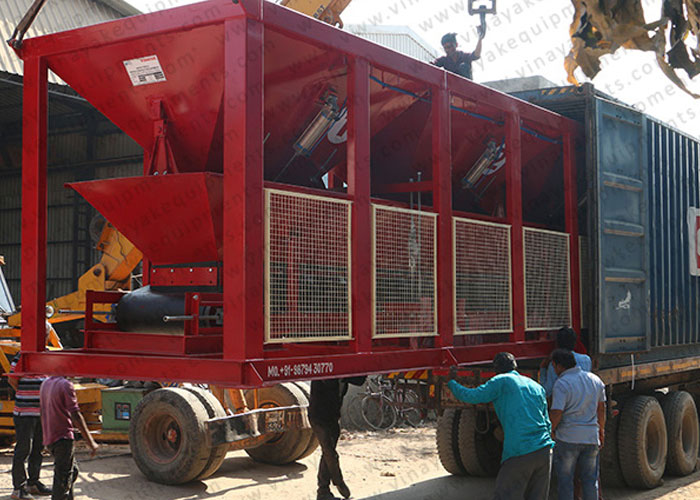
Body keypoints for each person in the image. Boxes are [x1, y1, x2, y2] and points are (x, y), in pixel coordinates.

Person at [447, 352, 554, 500]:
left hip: (520, 451)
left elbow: (473, 396)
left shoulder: (501, 381)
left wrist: (452, 383)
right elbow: (547, 422)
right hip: (543, 451)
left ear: (496, 369)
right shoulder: (535, 386)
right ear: (515, 366)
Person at [549, 349, 606, 500]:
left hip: (568, 438)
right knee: (590, 480)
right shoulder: (595, 380)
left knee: (565, 481)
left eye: (554, 366)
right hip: (591, 438)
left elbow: (556, 412)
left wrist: (550, 430)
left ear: (558, 365)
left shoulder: (561, 384)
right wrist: (601, 430)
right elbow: (601, 409)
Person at [40, 376, 98, 500]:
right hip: (63, 438)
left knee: (72, 471)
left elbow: (43, 412)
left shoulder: (45, 383)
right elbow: (76, 415)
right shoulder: (65, 385)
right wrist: (91, 442)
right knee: (62, 481)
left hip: (52, 437)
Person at [308, 377, 365, 500]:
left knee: (327, 453)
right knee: (330, 453)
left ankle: (323, 491)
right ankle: (338, 482)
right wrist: (344, 374)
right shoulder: (324, 372)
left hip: (333, 417)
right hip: (319, 417)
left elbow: (359, 380)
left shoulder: (343, 374)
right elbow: (329, 382)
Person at [9, 352, 51, 500]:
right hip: (25, 412)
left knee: (38, 448)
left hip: (41, 412)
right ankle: (18, 489)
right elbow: (12, 379)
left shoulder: (47, 354)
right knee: (23, 449)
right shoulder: (22, 355)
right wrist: (26, 394)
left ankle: (33, 482)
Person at [540, 327, 592, 398]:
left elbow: (547, 391)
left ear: (557, 343)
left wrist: (543, 369)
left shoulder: (555, 364)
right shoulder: (586, 360)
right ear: (575, 342)